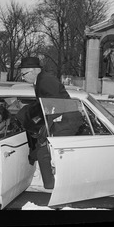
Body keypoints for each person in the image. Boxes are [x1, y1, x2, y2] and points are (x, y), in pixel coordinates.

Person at [16, 57, 71, 189]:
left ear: (34, 70)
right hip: (59, 118)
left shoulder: (45, 81)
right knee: (41, 150)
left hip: (64, 120)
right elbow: (44, 103)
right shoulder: (41, 79)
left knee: (43, 152)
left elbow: (56, 106)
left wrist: (45, 128)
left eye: (24, 74)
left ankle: (52, 186)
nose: (23, 78)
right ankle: (51, 184)